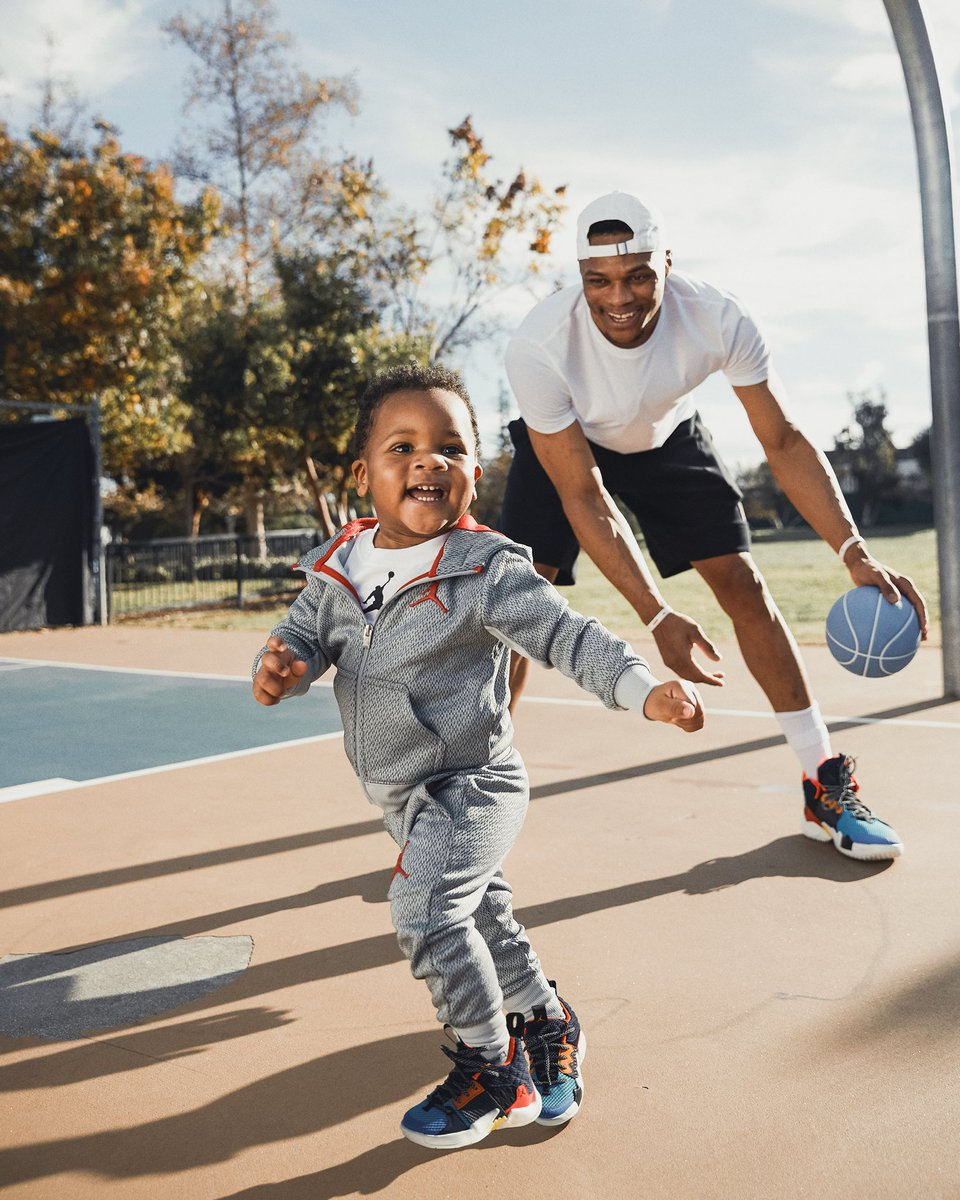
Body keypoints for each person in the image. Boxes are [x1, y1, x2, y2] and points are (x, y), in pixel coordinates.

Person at [251, 364, 704, 1151]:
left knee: (425, 912)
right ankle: (549, 1023)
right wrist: (284, 663)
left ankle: (494, 1071)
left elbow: (567, 635)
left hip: (474, 784)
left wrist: (640, 689)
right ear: (364, 476)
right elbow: (303, 635)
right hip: (400, 792)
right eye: (404, 446)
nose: (430, 461)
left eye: (450, 448)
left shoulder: (486, 570)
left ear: (473, 473)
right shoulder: (337, 567)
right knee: (483, 918)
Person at [501, 190, 928, 863]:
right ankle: (469, 796)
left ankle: (824, 786)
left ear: (668, 264)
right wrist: (657, 614)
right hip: (567, 446)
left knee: (744, 584)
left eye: (639, 275)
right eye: (599, 281)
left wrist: (853, 550)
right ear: (578, 278)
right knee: (519, 606)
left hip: (668, 437)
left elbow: (783, 441)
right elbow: (585, 495)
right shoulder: (540, 346)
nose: (620, 296)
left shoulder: (717, 318)